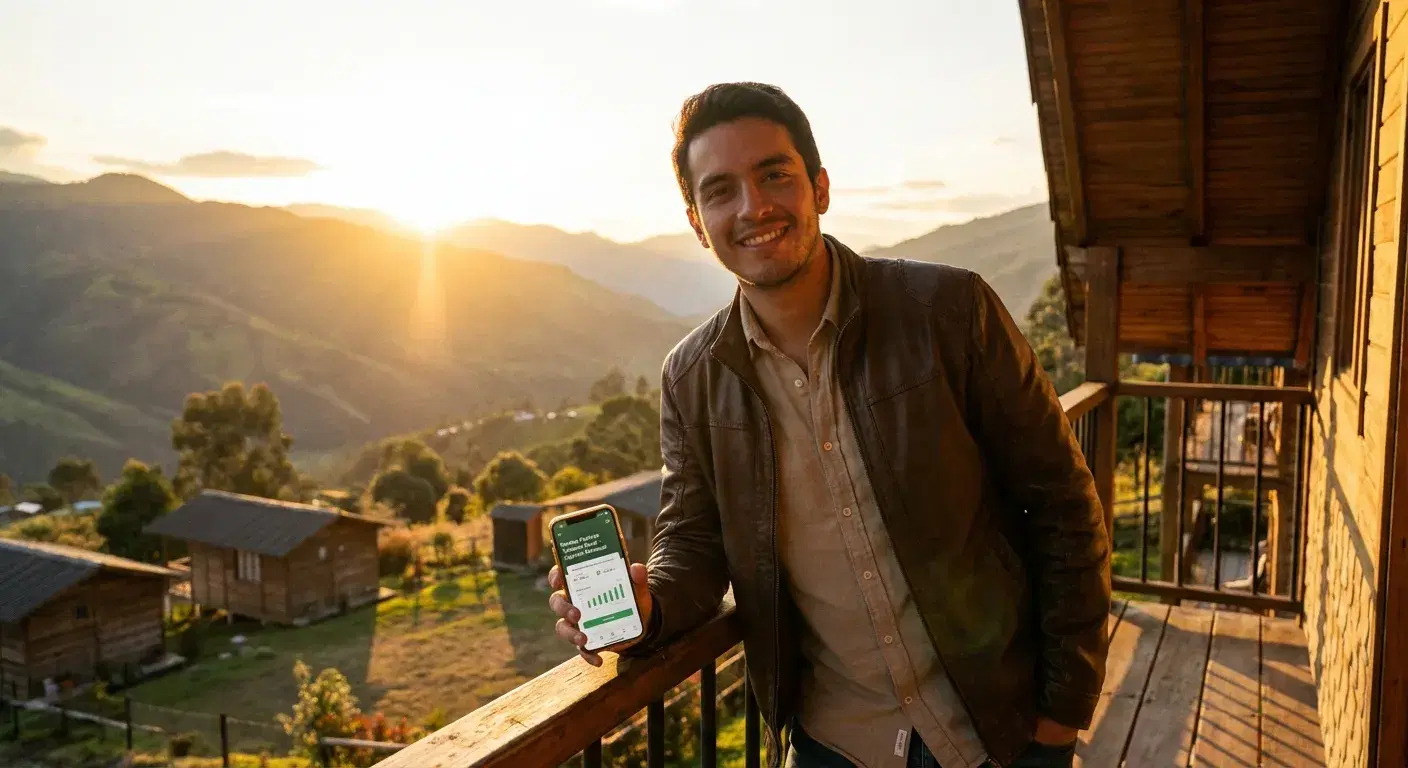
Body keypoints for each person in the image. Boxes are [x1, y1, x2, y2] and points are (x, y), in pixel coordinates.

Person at [549, 82, 1110, 768]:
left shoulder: (949, 310)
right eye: (720, 190)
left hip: (997, 728)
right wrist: (645, 609)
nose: (753, 207)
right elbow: (691, 543)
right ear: (697, 222)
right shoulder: (692, 378)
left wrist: (1061, 715)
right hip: (833, 744)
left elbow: (1063, 507)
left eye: (774, 175)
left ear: (819, 187)